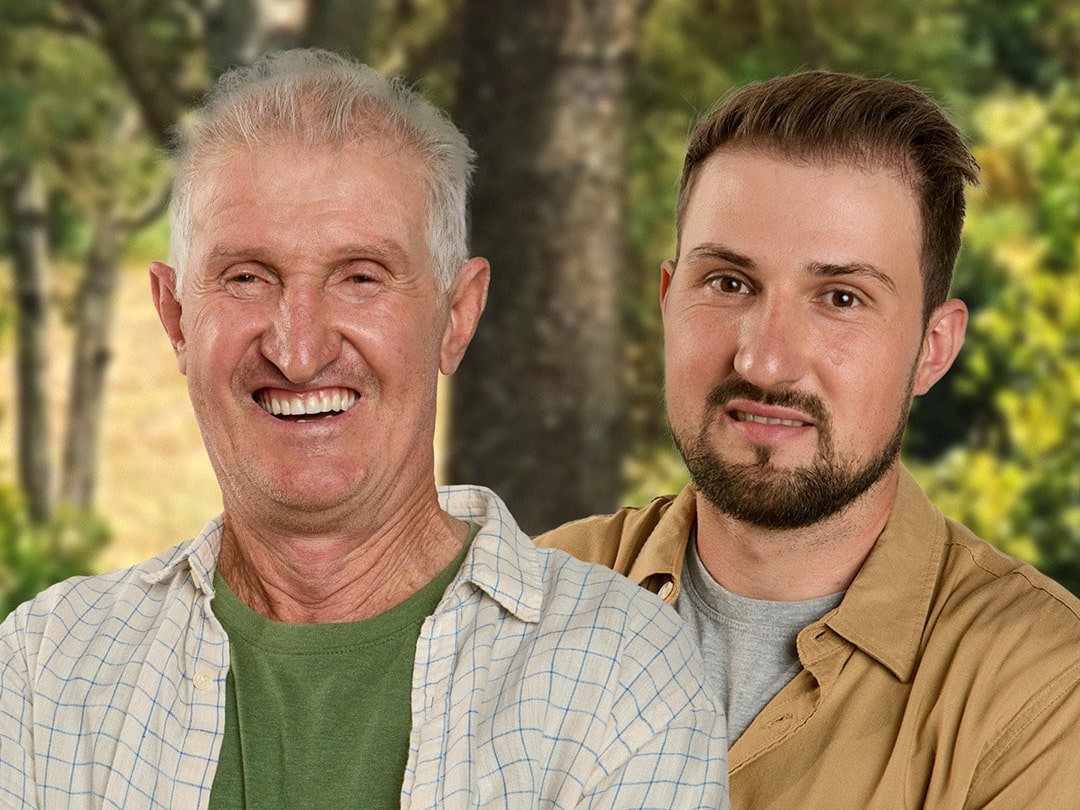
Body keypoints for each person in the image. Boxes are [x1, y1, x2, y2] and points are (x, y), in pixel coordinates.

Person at [0, 49, 729, 808]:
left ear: (456, 316)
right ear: (176, 316)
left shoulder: (619, 679)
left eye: (360, 277)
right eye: (247, 277)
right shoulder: (45, 673)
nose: (298, 350)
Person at [537, 70, 1080, 807]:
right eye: (728, 283)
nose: (764, 361)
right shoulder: (524, 601)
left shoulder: (1042, 688)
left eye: (841, 298)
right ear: (668, 300)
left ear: (933, 348)